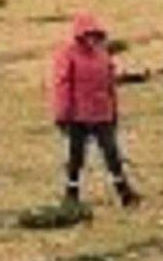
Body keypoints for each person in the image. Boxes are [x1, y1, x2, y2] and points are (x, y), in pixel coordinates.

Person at [50, 13, 140, 208]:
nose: (91, 39)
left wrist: (113, 110)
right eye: (88, 34)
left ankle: (124, 192)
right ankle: (71, 194)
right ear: (80, 35)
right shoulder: (68, 54)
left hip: (102, 114)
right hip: (77, 116)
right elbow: (62, 85)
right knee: (76, 157)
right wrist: (62, 114)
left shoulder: (103, 54)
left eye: (94, 34)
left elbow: (110, 84)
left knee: (112, 154)